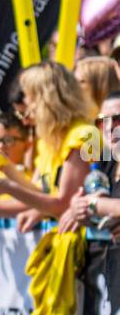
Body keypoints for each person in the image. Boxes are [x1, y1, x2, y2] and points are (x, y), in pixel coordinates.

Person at [0, 61, 99, 229]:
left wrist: (7, 189)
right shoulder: (49, 140)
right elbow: (40, 194)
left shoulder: (84, 135)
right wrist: (5, 168)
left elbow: (63, 204)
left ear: (47, 100)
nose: (26, 104)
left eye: (29, 96)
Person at [58, 94, 120, 235]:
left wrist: (95, 204)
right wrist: (78, 209)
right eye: (102, 121)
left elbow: (95, 203)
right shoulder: (105, 162)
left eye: (117, 119)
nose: (109, 127)